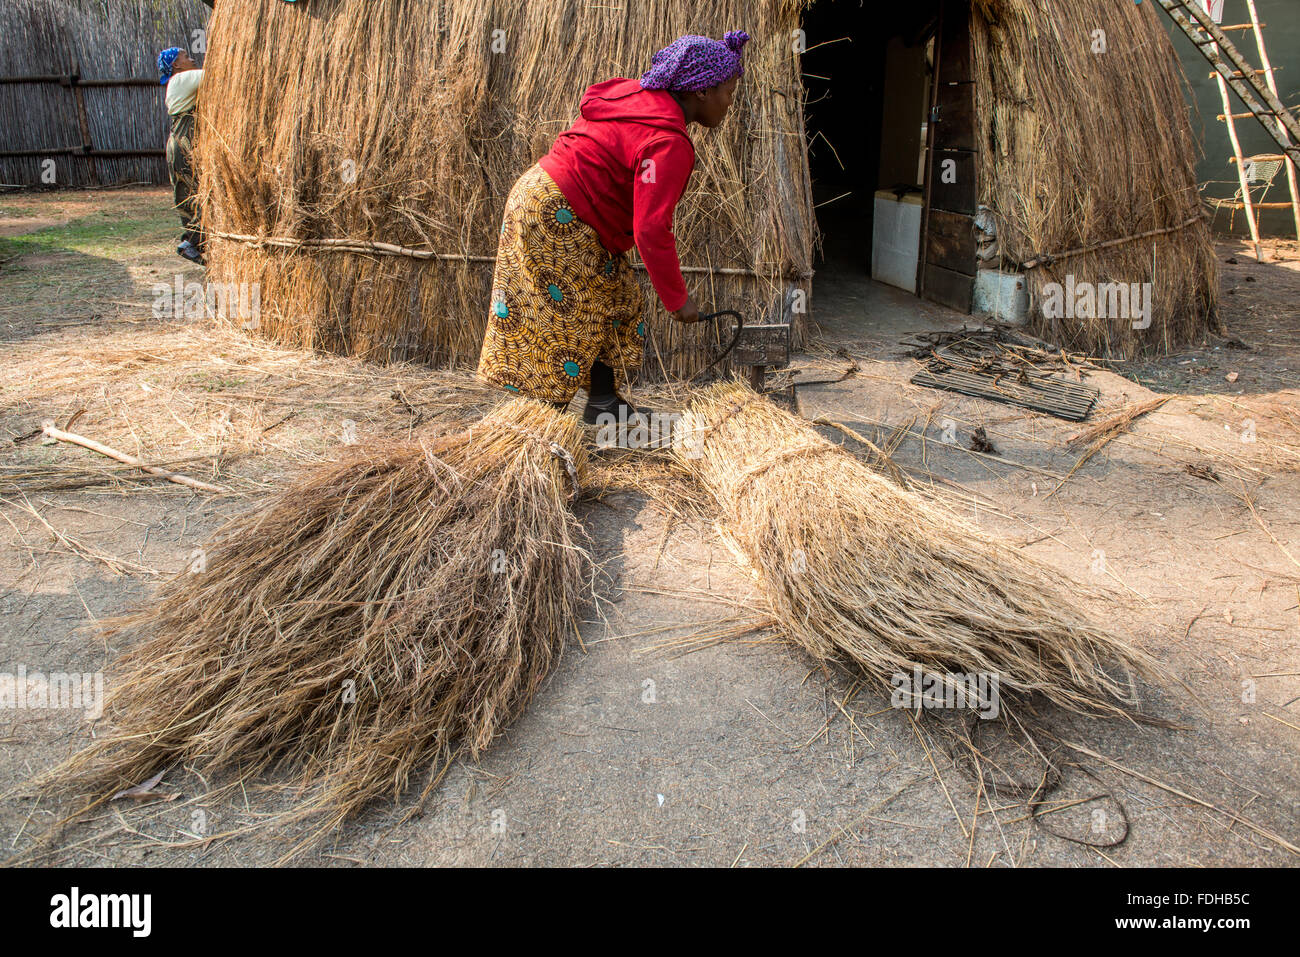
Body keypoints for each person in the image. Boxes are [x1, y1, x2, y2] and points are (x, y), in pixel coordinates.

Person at [476, 31, 749, 422]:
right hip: (560, 214)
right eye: (727, 93)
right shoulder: (668, 143)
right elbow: (651, 229)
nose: (729, 104)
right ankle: (537, 427)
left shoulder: (637, 101)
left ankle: (602, 401)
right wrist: (678, 300)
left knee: (618, 297)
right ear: (702, 91)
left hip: (539, 193)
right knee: (563, 315)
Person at [158, 47, 204, 264]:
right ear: (176, 65)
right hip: (184, 144)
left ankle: (192, 241)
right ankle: (191, 243)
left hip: (178, 142)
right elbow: (222, 73)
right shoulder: (182, 79)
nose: (191, 58)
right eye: (185, 56)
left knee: (188, 193)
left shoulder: (178, 82)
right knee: (197, 193)